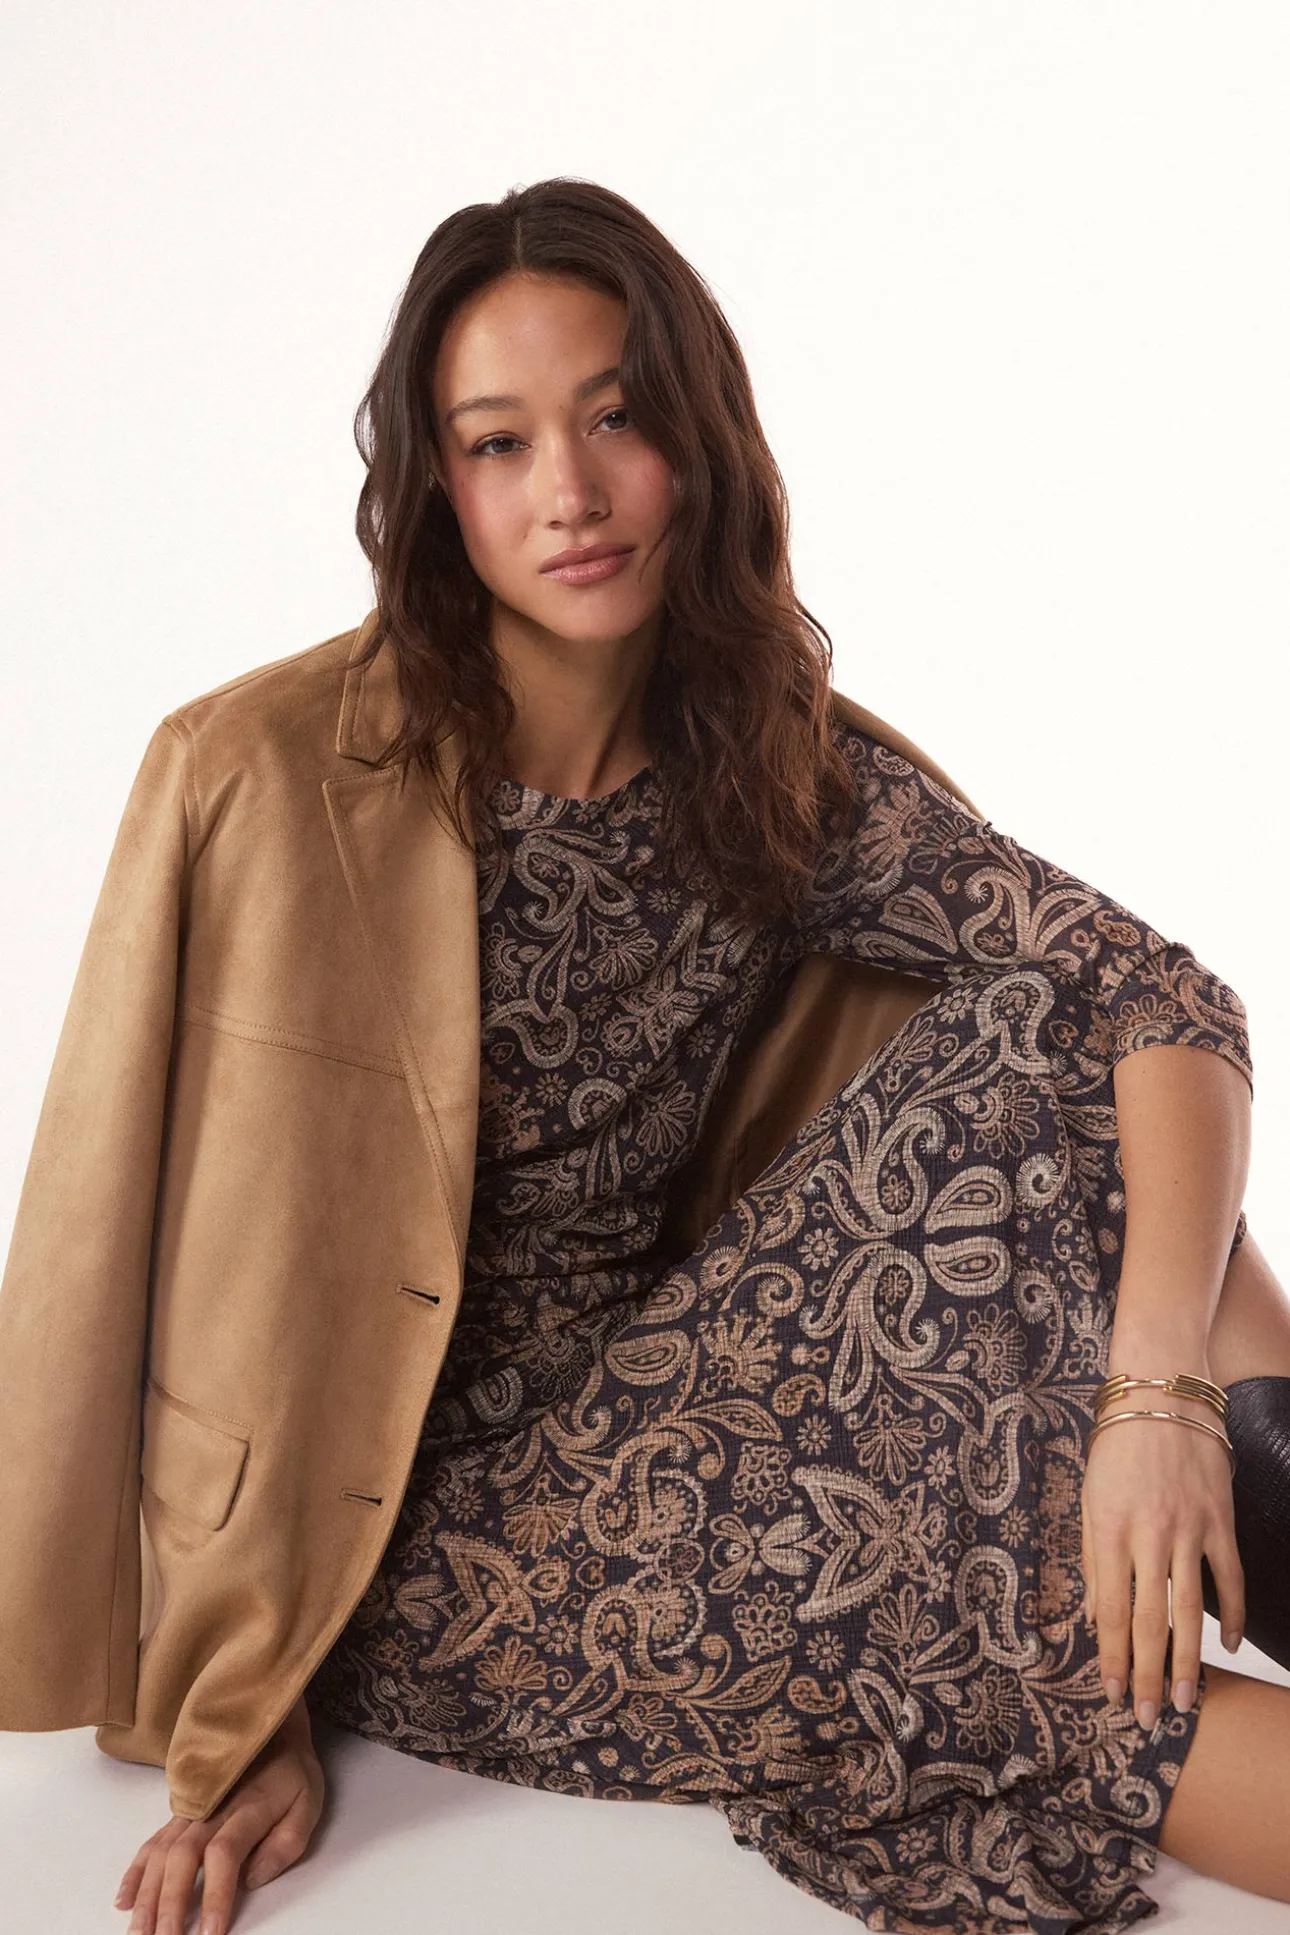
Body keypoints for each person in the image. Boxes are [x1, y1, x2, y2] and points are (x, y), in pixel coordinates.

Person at [90, 177, 1287, 1934]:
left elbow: (1155, 993)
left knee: (1060, 1032)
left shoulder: (766, 770)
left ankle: (1242, 1466)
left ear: (697, 443)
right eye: (497, 444)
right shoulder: (273, 777)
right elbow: (153, 1254)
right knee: (1030, 1637)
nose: (567, 494)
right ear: (435, 487)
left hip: (709, 1376)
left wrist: (1155, 1402)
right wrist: (235, 1689)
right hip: (435, 1546)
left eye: (615, 418)